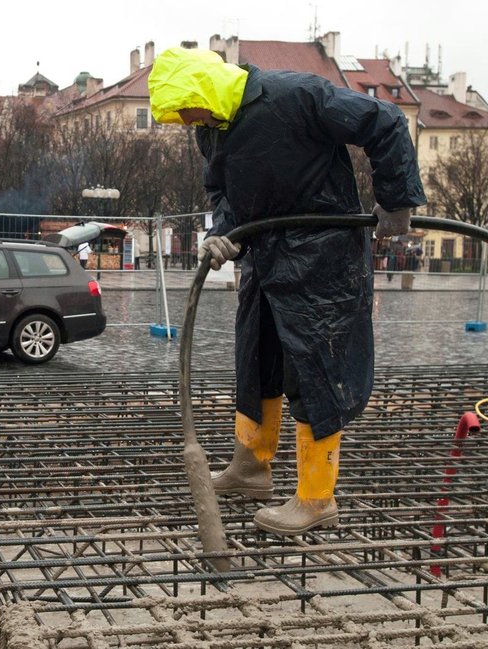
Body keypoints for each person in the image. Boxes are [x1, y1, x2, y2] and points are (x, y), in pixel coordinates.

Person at [149, 47, 426, 535]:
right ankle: (251, 468)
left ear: (207, 90)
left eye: (188, 108)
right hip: (265, 255)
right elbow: (222, 191)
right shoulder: (212, 128)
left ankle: (316, 498)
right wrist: (225, 233)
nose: (187, 120)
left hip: (325, 257)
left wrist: (396, 200)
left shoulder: (295, 94)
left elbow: (384, 121)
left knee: (314, 373)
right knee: (256, 361)